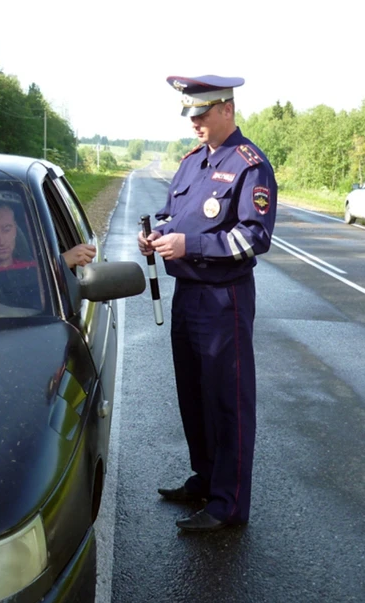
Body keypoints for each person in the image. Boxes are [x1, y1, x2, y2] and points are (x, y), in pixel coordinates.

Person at [137, 75, 277, 532]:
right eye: (190, 115)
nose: (194, 122)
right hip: (188, 294)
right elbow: (172, 216)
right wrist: (156, 237)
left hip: (224, 299)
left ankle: (228, 504)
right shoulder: (192, 162)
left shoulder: (249, 166)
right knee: (193, 394)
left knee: (227, 401)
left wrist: (189, 244)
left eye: (201, 114)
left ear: (226, 110)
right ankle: (205, 479)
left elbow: (253, 238)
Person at [0, 196, 96, 307]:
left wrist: (57, 265)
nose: (1, 241)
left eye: (7, 229)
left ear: (15, 230)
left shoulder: (37, 269)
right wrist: (56, 265)